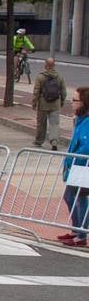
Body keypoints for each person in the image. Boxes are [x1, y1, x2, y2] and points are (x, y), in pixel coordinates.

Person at [58, 87, 89, 247]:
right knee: (70, 197)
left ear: (84, 102)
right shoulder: (79, 119)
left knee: (79, 199)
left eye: (75, 100)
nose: (72, 102)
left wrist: (74, 159)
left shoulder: (87, 121)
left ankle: (81, 234)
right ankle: (77, 230)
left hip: (83, 166)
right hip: (76, 166)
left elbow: (86, 145)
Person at [32, 57, 67, 149]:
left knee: (41, 123)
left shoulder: (41, 76)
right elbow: (63, 91)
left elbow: (36, 91)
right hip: (55, 104)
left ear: (45, 65)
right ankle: (54, 142)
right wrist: (62, 101)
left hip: (43, 104)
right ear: (54, 65)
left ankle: (39, 141)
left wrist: (34, 102)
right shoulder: (59, 76)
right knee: (54, 124)